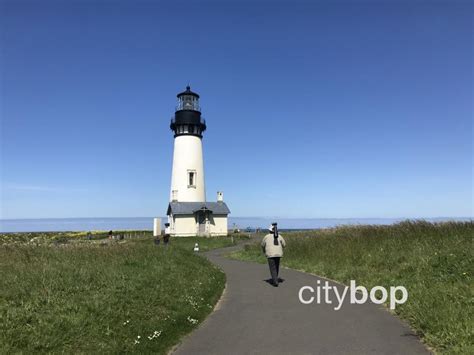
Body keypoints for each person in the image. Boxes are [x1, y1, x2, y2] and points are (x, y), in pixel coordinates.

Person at [261, 222, 286, 287]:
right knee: (276, 267)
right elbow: (284, 244)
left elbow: (262, 245)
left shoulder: (266, 237)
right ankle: (275, 279)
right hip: (278, 254)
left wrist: (264, 251)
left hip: (270, 254)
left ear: (269, 230)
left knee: (272, 268)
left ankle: (275, 281)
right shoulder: (280, 236)